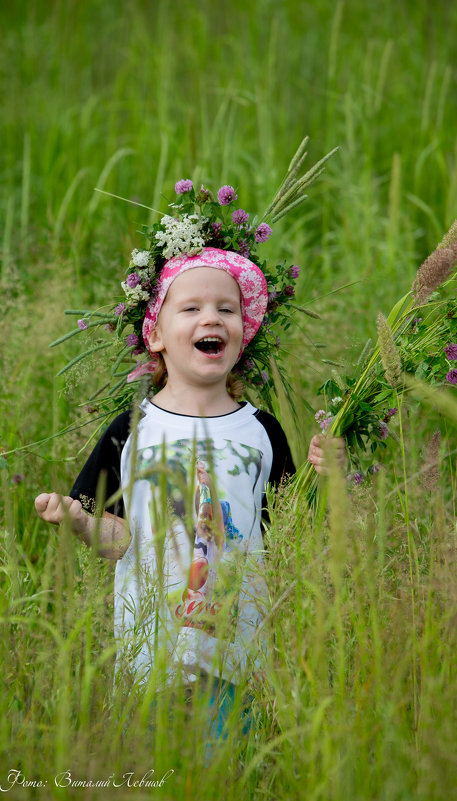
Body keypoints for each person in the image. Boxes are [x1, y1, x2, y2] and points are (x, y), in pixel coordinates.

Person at [35, 231, 341, 739]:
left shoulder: (262, 432)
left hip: (239, 651)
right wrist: (79, 520)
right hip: (151, 653)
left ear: (243, 333)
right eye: (191, 307)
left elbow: (291, 534)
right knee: (159, 763)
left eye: (227, 309)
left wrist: (326, 480)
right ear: (154, 334)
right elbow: (118, 541)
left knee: (229, 768)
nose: (212, 318)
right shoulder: (132, 427)